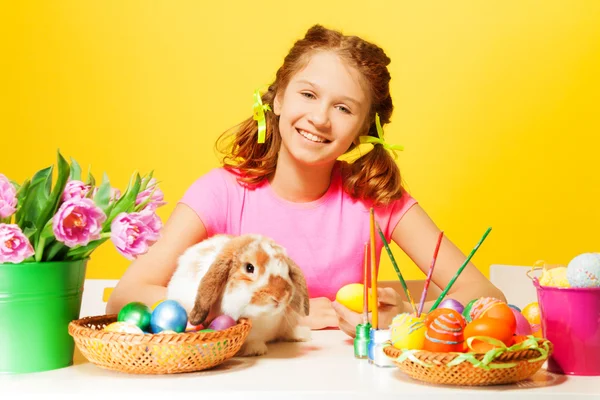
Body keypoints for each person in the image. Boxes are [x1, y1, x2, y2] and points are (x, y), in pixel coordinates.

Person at [106, 24, 506, 336]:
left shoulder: (377, 200)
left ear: (365, 129)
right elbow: (126, 296)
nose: (319, 118)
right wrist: (282, 315)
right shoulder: (221, 193)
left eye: (344, 108)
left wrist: (404, 312)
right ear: (277, 99)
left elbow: (486, 295)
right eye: (308, 95)